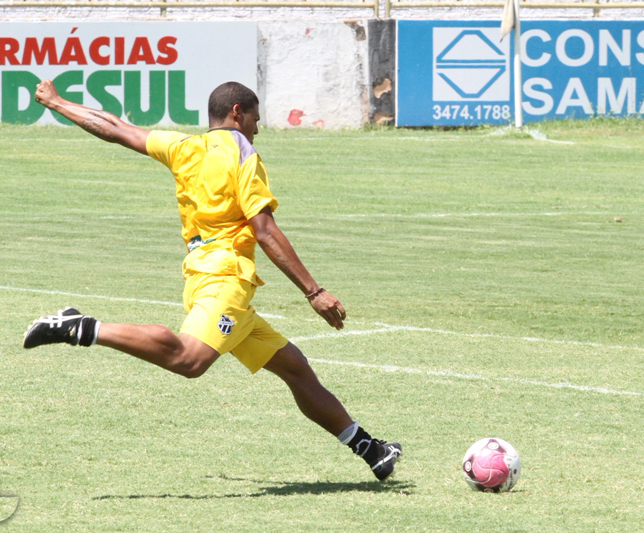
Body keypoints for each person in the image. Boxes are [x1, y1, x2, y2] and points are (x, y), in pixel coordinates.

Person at [23, 80, 402, 481]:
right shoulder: (243, 152)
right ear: (238, 112)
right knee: (190, 359)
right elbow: (265, 229)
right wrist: (314, 291)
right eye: (255, 118)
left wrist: (57, 102)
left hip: (206, 276)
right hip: (226, 279)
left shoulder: (184, 147)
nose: (258, 127)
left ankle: (371, 449)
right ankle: (81, 327)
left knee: (295, 369)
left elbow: (115, 127)